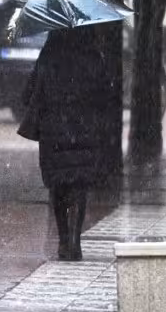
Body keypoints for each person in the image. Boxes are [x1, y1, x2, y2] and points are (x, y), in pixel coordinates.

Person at [18, 27, 115, 261]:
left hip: (54, 132)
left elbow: (28, 94)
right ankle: (74, 240)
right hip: (84, 129)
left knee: (58, 186)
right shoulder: (93, 56)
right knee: (79, 185)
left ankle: (63, 240)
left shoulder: (49, 54)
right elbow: (105, 95)